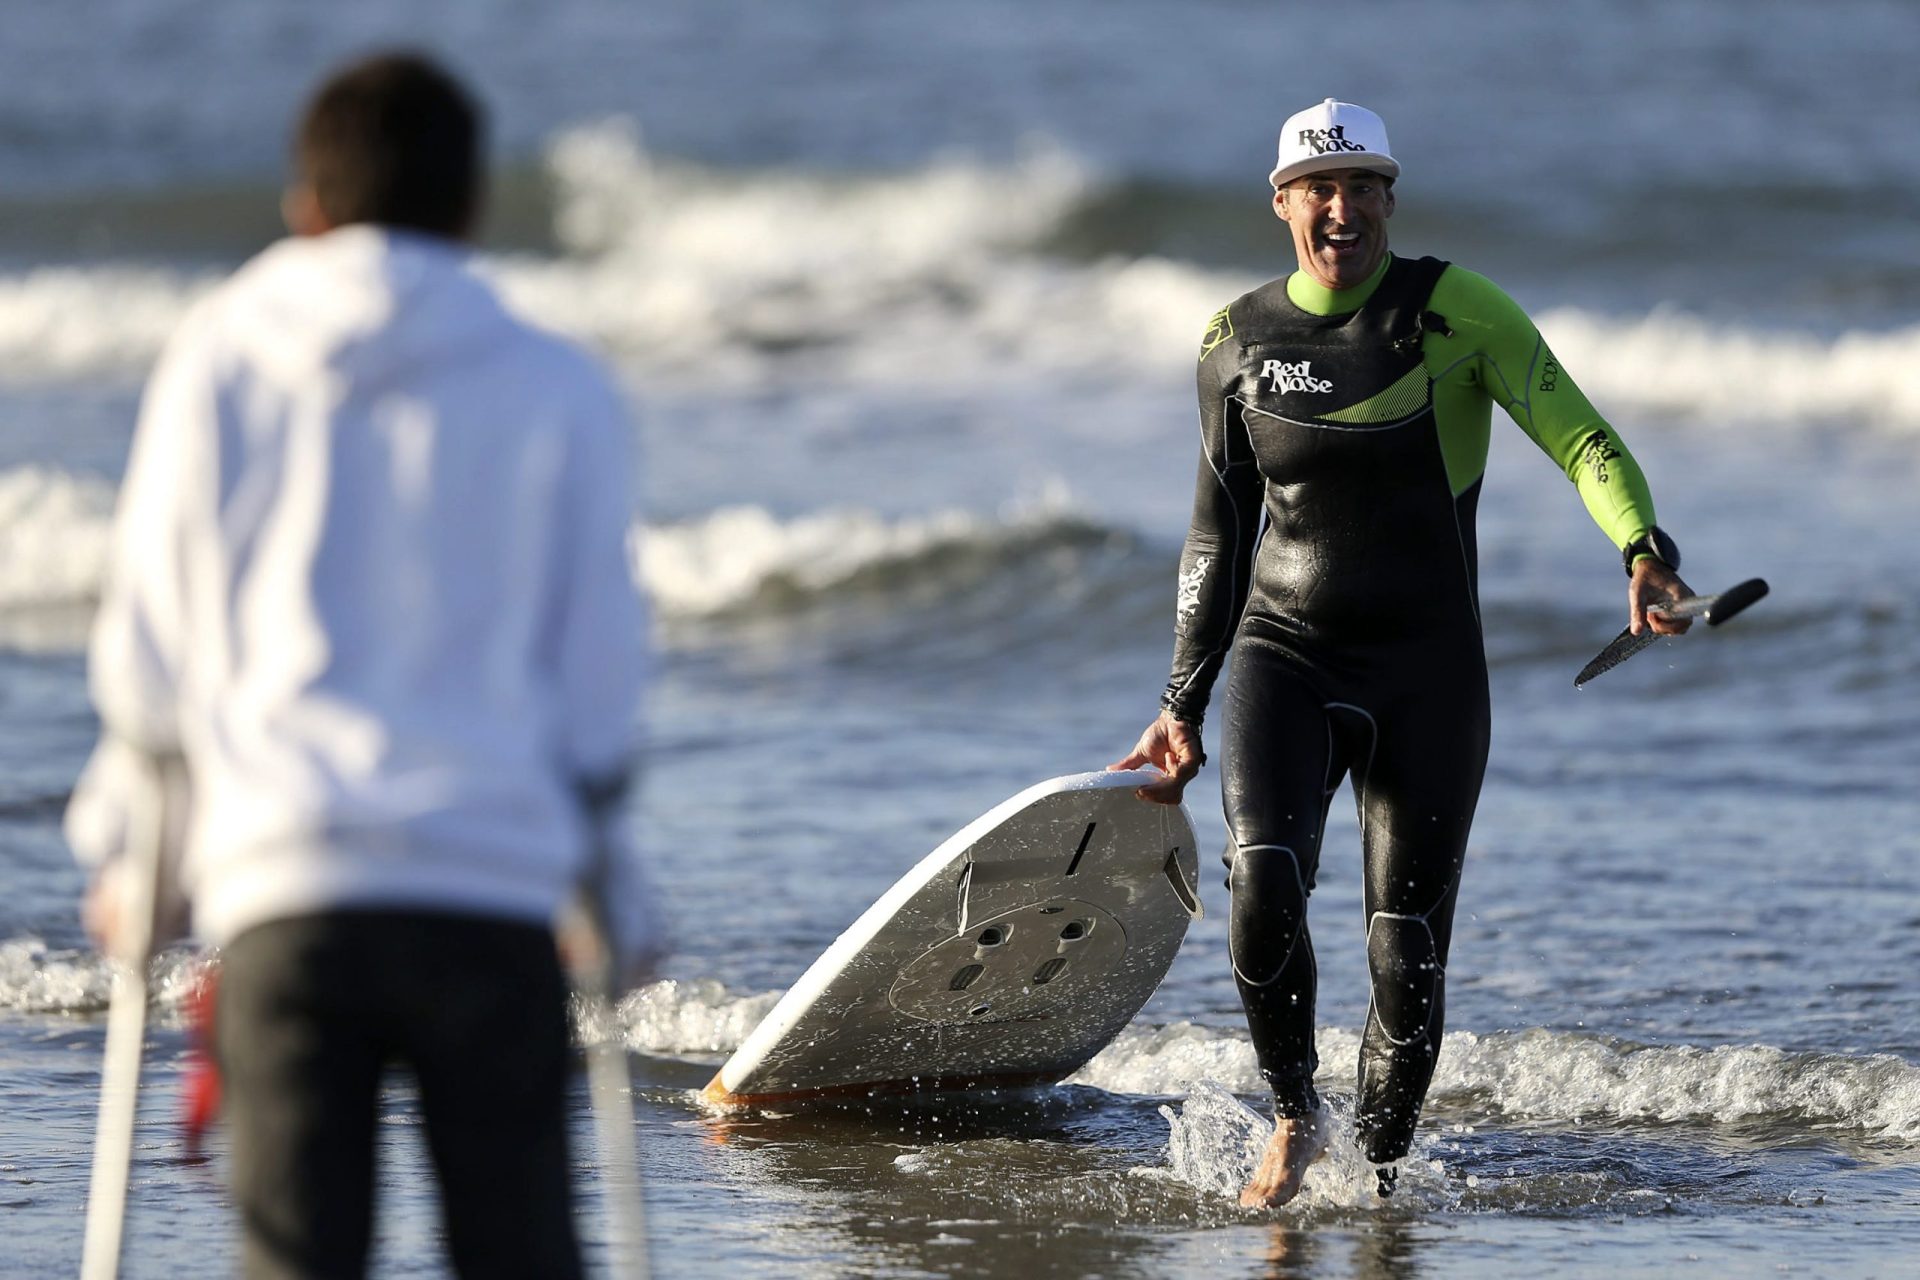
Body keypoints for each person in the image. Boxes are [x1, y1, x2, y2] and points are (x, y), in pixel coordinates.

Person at [66, 52, 659, 1277]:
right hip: (490, 896)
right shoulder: (558, 382)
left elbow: (151, 652)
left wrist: (134, 851)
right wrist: (615, 887)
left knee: (298, 1257)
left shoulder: (219, 352)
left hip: (285, 896)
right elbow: (598, 680)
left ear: (307, 203)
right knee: (521, 1253)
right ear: (472, 206)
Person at [1112, 98, 1691, 1208]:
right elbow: (1218, 528)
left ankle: (1375, 1182)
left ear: (1390, 198)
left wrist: (1642, 546)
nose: (1343, 208)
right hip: (1284, 654)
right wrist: (1180, 696)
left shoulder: (1454, 312)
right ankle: (1294, 1116)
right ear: (1282, 203)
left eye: (1364, 186)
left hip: (1427, 671)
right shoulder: (1234, 341)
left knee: (1403, 950)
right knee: (1261, 888)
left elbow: (1581, 433)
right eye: (1319, 189)